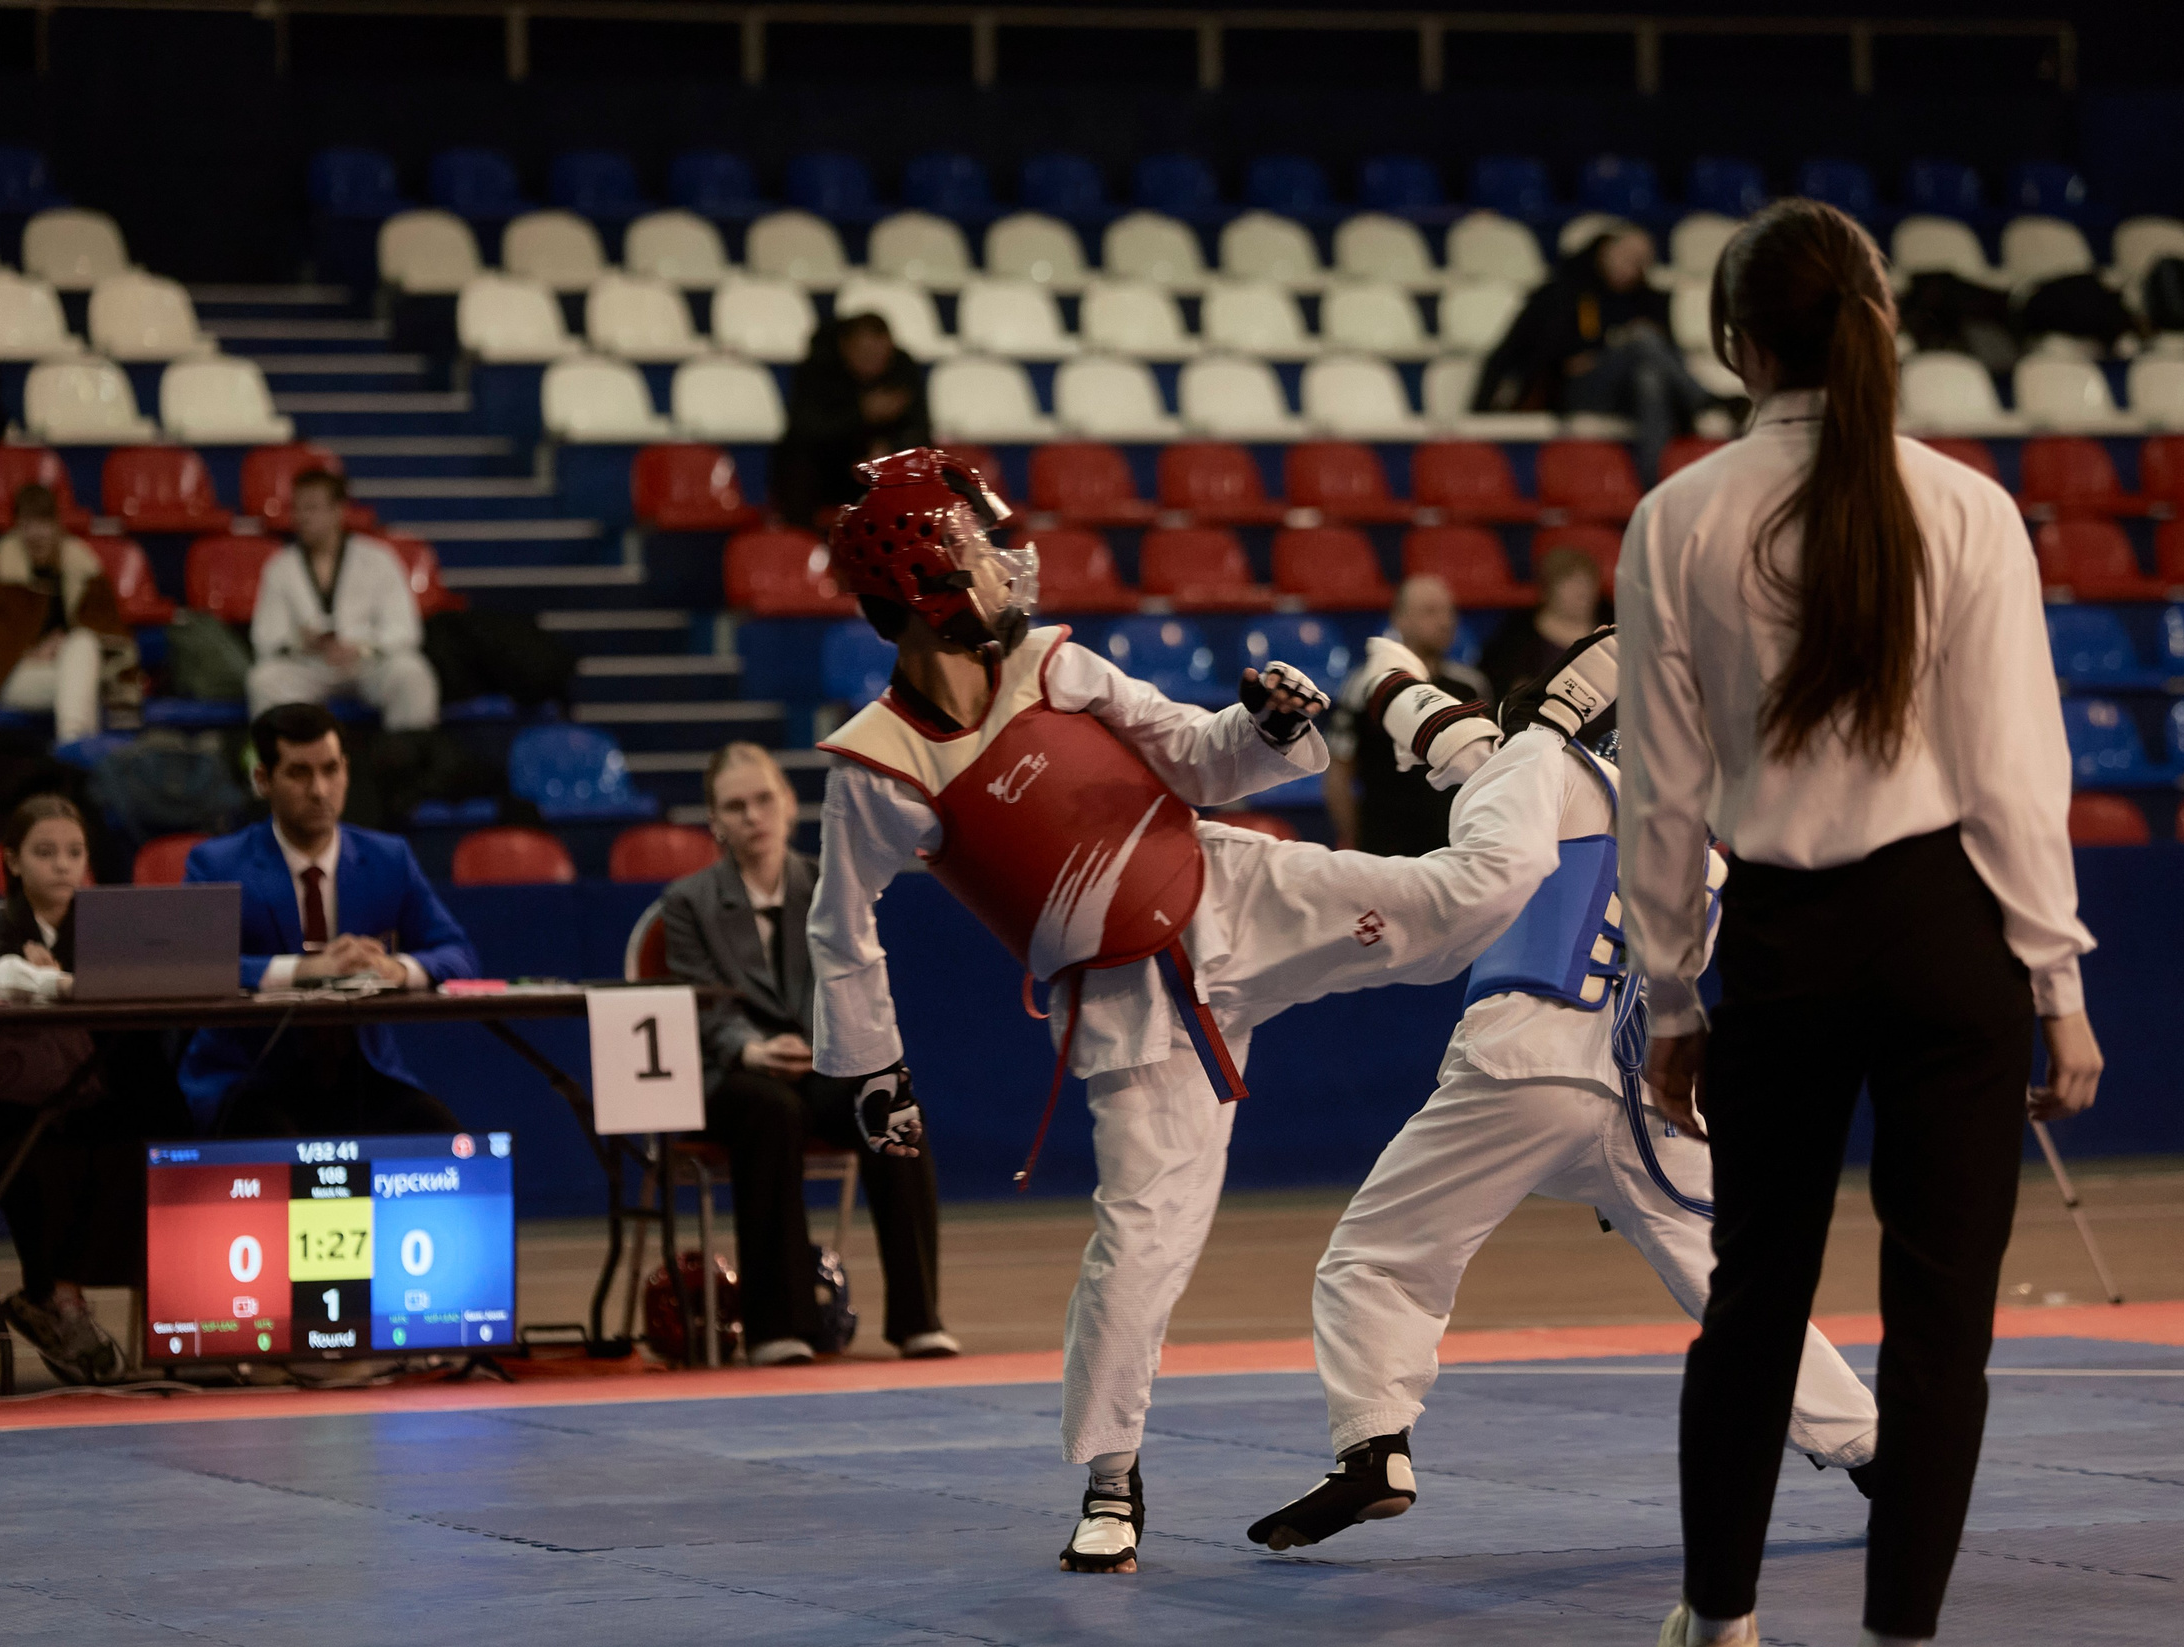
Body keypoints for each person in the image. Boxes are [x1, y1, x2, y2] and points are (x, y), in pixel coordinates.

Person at [809, 448, 1567, 1575]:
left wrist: (1258, 724)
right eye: (982, 552)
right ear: (926, 585)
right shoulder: (879, 769)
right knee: (1140, 1246)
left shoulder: (1060, 668)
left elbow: (1198, 762)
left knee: (1465, 896)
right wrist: (871, 1072)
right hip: (1128, 1007)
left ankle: (1529, 759)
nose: (1010, 568)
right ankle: (1110, 1481)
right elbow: (839, 928)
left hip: (1233, 893)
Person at [1617, 199, 2102, 1647]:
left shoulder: (1678, 517)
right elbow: (2017, 774)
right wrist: (2057, 979)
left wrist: (1673, 992)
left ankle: (1720, 1640)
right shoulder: (1966, 507)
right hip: (1951, 936)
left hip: (1784, 942)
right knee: (1943, 1317)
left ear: (1737, 345)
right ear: (1877, 322)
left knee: (1753, 1298)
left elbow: (1661, 795)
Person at [1246, 637, 1878, 1556]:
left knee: (1377, 1256)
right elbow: (1468, 744)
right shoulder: (1702, 850)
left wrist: (1386, 680)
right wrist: (1405, 691)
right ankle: (1870, 1445)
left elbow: (1482, 760)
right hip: (1640, 1093)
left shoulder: (1545, 765)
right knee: (1729, 1281)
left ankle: (1374, 1445)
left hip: (1529, 1057)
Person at [660, 741, 958, 1367]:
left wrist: (838, 1047)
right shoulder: (687, 903)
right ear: (715, 822)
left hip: (821, 1061)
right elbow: (697, 1005)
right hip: (735, 1076)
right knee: (772, 1111)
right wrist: (752, 1049)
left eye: (764, 799)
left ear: (790, 804)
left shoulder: (829, 885)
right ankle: (778, 1328)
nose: (753, 816)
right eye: (734, 806)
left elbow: (854, 981)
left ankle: (919, 1320)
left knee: (888, 1100)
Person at [0, 795, 190, 1384]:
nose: (62, 865)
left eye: (74, 852)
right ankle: (55, 1297)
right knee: (42, 1154)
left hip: (84, 1104)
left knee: (145, 1144)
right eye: (45, 852)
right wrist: (56, 985)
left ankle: (69, 1296)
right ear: (12, 861)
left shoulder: (108, 936)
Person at [179, 702, 481, 1135]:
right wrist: (304, 971)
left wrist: (396, 969)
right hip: (252, 1081)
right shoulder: (217, 864)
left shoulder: (389, 858)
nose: (320, 790)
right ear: (263, 779)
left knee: (443, 1135)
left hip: (364, 1078)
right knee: (276, 1140)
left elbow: (459, 955)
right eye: (299, 773)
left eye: (330, 770)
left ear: (347, 771)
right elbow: (194, 968)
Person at [1472, 227, 1715, 488]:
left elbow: (1668, 353)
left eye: (1642, 261)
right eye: (1627, 257)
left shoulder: (1650, 300)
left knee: (1649, 379)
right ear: (1606, 251)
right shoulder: (1563, 292)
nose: (1633, 267)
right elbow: (1521, 352)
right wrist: (1480, 408)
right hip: (1575, 392)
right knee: (1643, 338)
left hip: (1628, 393)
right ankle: (1702, 399)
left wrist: (1610, 350)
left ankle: (1652, 486)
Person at [0, 485, 134, 743]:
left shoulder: (83, 568)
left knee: (82, 644)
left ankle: (71, 744)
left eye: (43, 524)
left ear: (57, 525)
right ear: (17, 527)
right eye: (28, 524)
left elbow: (112, 634)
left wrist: (62, 646)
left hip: (72, 669)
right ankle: (77, 751)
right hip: (13, 676)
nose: (36, 534)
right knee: (82, 685)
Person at [247, 469, 439, 730]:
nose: (302, 517)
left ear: (338, 510)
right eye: (297, 508)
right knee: (263, 680)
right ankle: (287, 756)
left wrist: (361, 647)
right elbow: (266, 636)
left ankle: (408, 753)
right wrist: (300, 642)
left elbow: (405, 628)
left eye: (311, 508)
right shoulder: (280, 567)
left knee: (412, 673)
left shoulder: (377, 558)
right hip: (310, 665)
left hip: (367, 663)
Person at [1325, 574, 1491, 855]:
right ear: (1399, 619)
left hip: (1456, 849)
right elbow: (1339, 772)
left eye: (1449, 611)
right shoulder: (1367, 684)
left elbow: (1488, 772)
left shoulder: (1471, 686)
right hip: (1384, 850)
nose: (1445, 621)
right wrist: (1356, 840)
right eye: (1430, 611)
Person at [771, 312, 930, 528]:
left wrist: (891, 449)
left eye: (880, 353)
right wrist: (861, 413)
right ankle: (799, 538)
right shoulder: (818, 369)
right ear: (844, 347)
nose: (873, 361)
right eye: (864, 353)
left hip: (881, 469)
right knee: (797, 463)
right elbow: (805, 429)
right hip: (829, 467)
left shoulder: (902, 369)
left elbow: (920, 429)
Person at [1479, 546, 1606, 704]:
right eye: (1570, 582)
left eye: (1588, 582)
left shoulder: (1612, 635)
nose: (1582, 591)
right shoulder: (1515, 638)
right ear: (1549, 588)